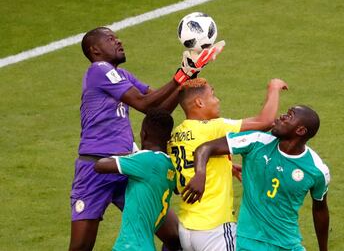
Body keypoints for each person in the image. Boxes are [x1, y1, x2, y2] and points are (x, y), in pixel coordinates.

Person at [69, 26, 223, 251]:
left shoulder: (123, 75)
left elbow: (158, 110)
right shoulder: (98, 70)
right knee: (80, 247)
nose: (118, 42)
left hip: (129, 167)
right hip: (95, 167)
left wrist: (190, 74)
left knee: (175, 238)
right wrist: (181, 74)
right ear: (95, 50)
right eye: (111, 39)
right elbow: (143, 103)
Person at [185, 105, 330, 251]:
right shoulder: (256, 141)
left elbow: (320, 210)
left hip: (288, 244)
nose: (281, 116)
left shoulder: (316, 170)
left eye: (290, 116)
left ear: (300, 130)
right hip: (249, 242)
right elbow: (205, 148)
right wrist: (200, 174)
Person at [167, 77, 288, 251]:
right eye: (213, 96)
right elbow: (266, 121)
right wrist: (274, 88)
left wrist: (228, 167)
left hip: (187, 228)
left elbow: (190, 163)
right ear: (199, 102)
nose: (218, 101)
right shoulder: (213, 127)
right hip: (214, 227)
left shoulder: (177, 134)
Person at [94, 108, 176, 251]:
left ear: (143, 134)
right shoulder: (169, 167)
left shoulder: (145, 160)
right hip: (146, 245)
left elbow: (100, 165)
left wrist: (132, 154)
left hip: (130, 246)